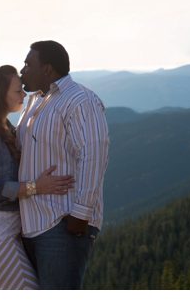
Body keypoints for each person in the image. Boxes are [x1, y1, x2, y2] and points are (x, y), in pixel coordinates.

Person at [0, 64, 75, 290]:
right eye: (18, 91)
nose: (24, 95)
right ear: (0, 95)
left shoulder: (3, 126)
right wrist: (35, 187)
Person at [17, 40, 110, 290]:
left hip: (62, 224)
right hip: (32, 225)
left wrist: (80, 215)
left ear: (48, 69)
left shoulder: (80, 100)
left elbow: (93, 153)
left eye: (28, 64)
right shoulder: (36, 101)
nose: (22, 70)